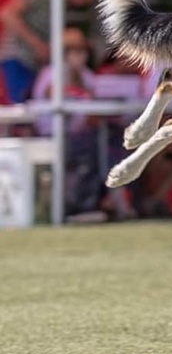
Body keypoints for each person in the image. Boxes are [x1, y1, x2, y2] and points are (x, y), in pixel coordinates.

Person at [0, 0, 101, 102]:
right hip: (18, 58)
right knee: (22, 109)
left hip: (35, 63)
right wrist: (37, 45)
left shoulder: (66, 4)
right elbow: (7, 14)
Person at [33, 27, 103, 215]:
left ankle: (90, 203)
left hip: (80, 136)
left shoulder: (87, 75)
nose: (81, 56)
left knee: (106, 144)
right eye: (75, 51)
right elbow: (54, 93)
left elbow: (94, 112)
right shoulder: (51, 72)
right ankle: (69, 205)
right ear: (64, 54)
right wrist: (76, 86)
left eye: (83, 51)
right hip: (51, 135)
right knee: (85, 147)